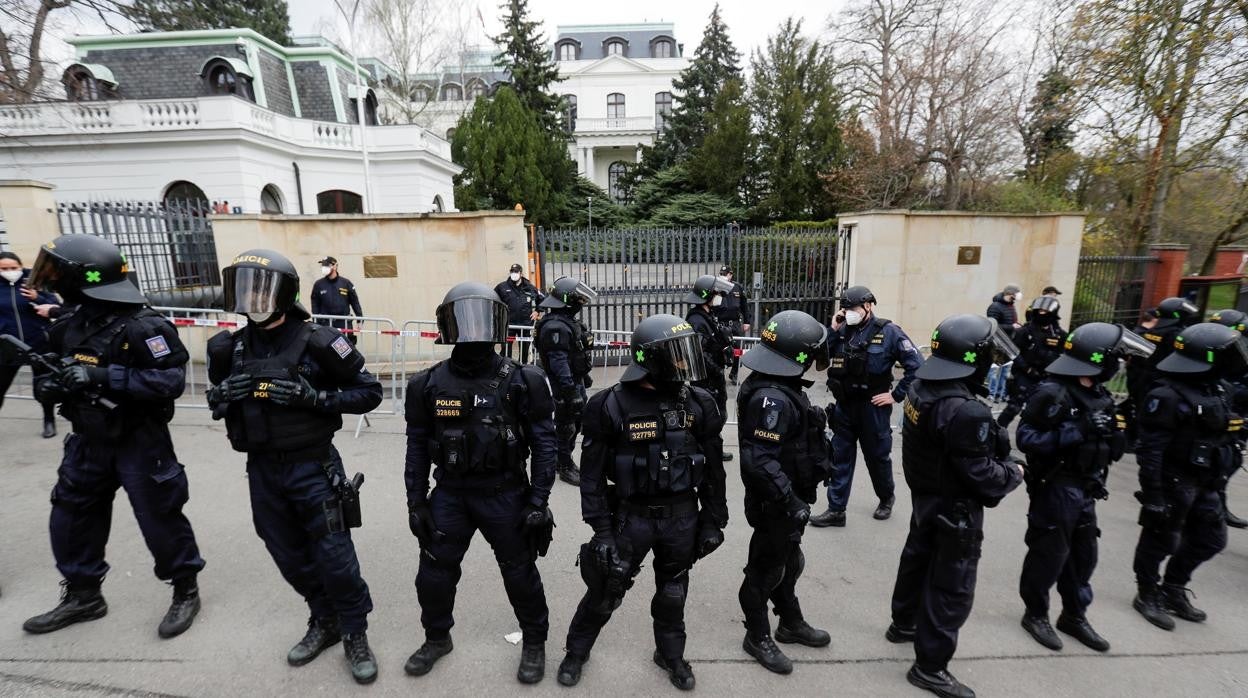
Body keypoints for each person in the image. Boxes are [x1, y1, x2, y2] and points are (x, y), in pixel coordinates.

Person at [206, 249, 381, 683]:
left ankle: (354, 631)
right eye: (244, 288)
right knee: (287, 554)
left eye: (262, 289)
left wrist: (316, 399)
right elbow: (216, 400)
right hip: (263, 470)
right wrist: (223, 393)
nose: (253, 299)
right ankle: (325, 620)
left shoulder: (319, 341)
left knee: (335, 557)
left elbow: (369, 392)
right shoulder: (228, 347)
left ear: (285, 294)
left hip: (313, 468)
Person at [21, 235, 205, 639]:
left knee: (159, 518)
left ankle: (185, 590)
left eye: (58, 271)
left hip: (139, 441)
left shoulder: (144, 326)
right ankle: (84, 595)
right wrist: (55, 388)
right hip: (88, 439)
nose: (50, 279)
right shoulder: (71, 323)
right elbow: (61, 365)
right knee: (71, 516)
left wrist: (103, 376)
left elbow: (170, 380)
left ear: (85, 278)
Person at [557, 314, 728, 691]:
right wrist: (601, 530)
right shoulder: (609, 406)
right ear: (649, 359)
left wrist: (715, 519)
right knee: (606, 590)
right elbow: (591, 477)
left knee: (673, 592)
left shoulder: (700, 403)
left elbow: (715, 471)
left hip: (683, 518)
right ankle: (576, 651)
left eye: (687, 354)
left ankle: (670, 654)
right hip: (630, 519)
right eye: (676, 355)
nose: (684, 363)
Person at [403, 282, 558, 683]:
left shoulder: (525, 380)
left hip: (505, 493)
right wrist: (416, 501)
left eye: (482, 318)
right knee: (433, 574)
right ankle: (437, 638)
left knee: (520, 572)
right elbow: (418, 446)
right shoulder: (426, 385)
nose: (473, 330)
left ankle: (535, 642)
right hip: (451, 494)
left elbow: (544, 443)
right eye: (462, 319)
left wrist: (538, 501)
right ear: (446, 325)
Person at [887, 313, 1024, 698]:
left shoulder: (921, 386)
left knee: (917, 559)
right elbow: (980, 474)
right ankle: (930, 668)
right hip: (954, 506)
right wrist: (1013, 473)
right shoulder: (965, 408)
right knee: (952, 586)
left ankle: (904, 623)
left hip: (927, 495)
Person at [1015, 323, 1154, 653]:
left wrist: (1118, 434)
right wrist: (1077, 429)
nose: (1118, 364)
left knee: (1084, 557)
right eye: (1114, 358)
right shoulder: (1053, 392)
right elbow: (1027, 439)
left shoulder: (1100, 394)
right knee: (1048, 554)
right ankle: (1035, 614)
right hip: (1056, 487)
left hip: (1088, 487)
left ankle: (1074, 615)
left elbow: (1112, 446)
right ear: (1096, 359)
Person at [735, 310, 833, 674]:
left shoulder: (780, 386)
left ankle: (790, 622)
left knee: (789, 563)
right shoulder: (771, 398)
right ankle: (756, 635)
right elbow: (759, 460)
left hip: (788, 499)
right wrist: (789, 501)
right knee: (764, 571)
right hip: (775, 502)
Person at [1131, 322, 1245, 632]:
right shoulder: (1166, 395)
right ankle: (1147, 593)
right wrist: (1153, 495)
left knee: (1212, 539)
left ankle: (1174, 586)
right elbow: (1150, 450)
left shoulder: (1221, 389)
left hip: (1208, 480)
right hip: (1175, 481)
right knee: (1160, 541)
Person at [811, 286, 922, 527]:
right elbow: (821, 358)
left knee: (878, 458)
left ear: (868, 306)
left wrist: (896, 395)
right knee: (840, 457)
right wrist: (833, 328)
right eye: (845, 308)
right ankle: (836, 510)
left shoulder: (890, 332)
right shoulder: (842, 331)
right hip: (845, 406)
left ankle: (886, 498)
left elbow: (917, 366)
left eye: (852, 308)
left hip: (874, 407)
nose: (848, 312)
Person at [534, 276, 597, 486]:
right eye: (578, 299)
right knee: (566, 425)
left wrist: (582, 376)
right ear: (567, 301)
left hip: (573, 380)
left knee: (574, 423)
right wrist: (570, 392)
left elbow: (574, 353)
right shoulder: (555, 327)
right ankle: (564, 464)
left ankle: (560, 459)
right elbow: (558, 362)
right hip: (564, 386)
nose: (581, 303)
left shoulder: (566, 322)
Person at [0, 251, 59, 437]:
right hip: (8, 345)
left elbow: (55, 304)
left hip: (38, 343)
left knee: (43, 387)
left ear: (20, 266)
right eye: (4, 269)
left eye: (13, 268)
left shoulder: (35, 281)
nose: (9, 271)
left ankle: (49, 420)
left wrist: (37, 297)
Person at [685, 274, 736, 461]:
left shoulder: (707, 315)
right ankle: (705, 449)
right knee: (709, 415)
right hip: (706, 378)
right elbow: (699, 352)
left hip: (713, 375)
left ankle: (713, 447)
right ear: (707, 296)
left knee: (717, 413)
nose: (718, 296)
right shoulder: (697, 320)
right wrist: (715, 368)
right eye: (715, 293)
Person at [996, 297, 1066, 427]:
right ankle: (997, 431)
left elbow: (1064, 354)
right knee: (1013, 407)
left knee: (1044, 409)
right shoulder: (1025, 331)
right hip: (1025, 374)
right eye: (1039, 310)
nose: (1041, 313)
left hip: (1048, 377)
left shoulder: (1059, 334)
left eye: (1045, 311)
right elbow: (1013, 352)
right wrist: (1026, 368)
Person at [1209, 309, 1248, 529]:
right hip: (1220, 414)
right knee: (1219, 462)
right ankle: (1213, 509)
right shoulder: (1216, 349)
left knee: (1229, 461)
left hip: (1237, 415)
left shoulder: (1241, 349)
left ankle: (1216, 507)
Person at [494, 262, 545, 364]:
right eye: (512, 271)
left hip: (525, 324)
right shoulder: (502, 287)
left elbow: (543, 299)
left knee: (524, 351)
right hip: (508, 324)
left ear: (521, 273)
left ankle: (522, 370)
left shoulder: (529, 287)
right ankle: (505, 369)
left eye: (516, 272)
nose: (514, 274)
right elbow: (493, 300)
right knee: (506, 351)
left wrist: (537, 311)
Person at [713, 265, 752, 385]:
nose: (723, 277)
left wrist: (747, 321)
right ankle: (719, 373)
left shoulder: (737, 287)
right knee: (719, 349)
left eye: (726, 274)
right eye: (722, 274)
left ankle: (734, 373)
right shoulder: (716, 287)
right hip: (721, 323)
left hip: (735, 324)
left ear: (731, 275)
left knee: (737, 350)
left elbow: (744, 306)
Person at [311, 255, 364, 345]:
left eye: (327, 265)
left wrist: (360, 319)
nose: (324, 268)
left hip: (344, 323)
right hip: (326, 324)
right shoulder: (319, 284)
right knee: (326, 350)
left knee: (346, 350)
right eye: (323, 265)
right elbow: (315, 304)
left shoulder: (346, 283)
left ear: (335, 266)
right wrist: (316, 321)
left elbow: (355, 302)